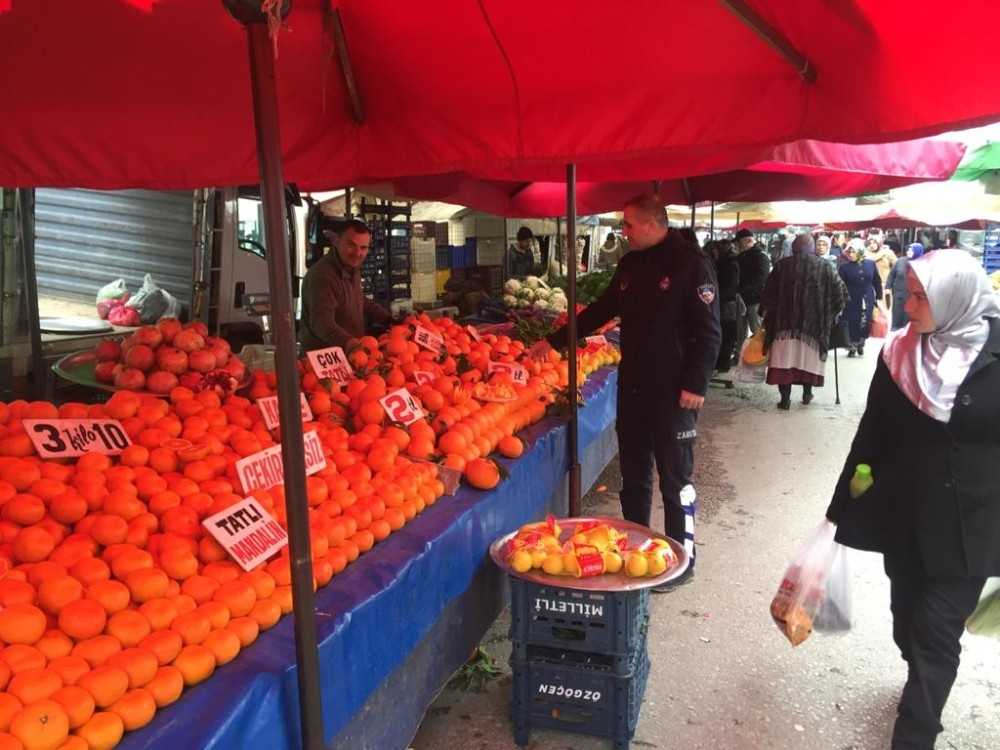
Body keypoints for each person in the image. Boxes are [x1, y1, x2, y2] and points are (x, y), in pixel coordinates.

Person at [825, 250, 1000, 750]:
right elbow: (872, 433)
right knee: (907, 617)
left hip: (975, 522)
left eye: (922, 297)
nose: (909, 304)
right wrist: (840, 506)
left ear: (955, 298)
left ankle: (915, 733)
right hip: (907, 516)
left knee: (936, 631)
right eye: (910, 293)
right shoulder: (899, 352)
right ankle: (917, 674)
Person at [529, 194, 721, 589]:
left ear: (652, 225)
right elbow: (600, 311)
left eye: (628, 225)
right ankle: (637, 551)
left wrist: (695, 384)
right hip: (633, 386)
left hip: (674, 394)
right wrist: (555, 340)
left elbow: (709, 331)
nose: (623, 231)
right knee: (634, 477)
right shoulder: (630, 265)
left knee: (675, 479)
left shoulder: (691, 265)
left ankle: (681, 558)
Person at [759, 234, 849, 409]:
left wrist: (766, 316)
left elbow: (768, 293)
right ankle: (807, 393)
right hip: (813, 328)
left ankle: (785, 399)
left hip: (783, 326)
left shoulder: (781, 266)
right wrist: (828, 314)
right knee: (806, 360)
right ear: (812, 247)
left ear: (794, 246)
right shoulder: (825, 266)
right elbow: (841, 295)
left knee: (784, 361)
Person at [299, 220, 391, 352]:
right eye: (351, 245)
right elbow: (321, 322)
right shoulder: (324, 277)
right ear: (336, 241)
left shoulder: (350, 266)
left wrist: (388, 319)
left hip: (349, 354)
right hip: (323, 361)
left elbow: (358, 299)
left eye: (363, 247)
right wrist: (348, 342)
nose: (357, 253)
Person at [837, 238, 883, 356]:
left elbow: (876, 281)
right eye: (849, 252)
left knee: (865, 322)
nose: (851, 254)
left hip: (867, 297)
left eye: (853, 252)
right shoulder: (844, 267)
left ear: (860, 252)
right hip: (851, 298)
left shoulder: (870, 264)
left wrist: (879, 296)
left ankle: (861, 343)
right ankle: (852, 346)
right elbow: (840, 284)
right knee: (851, 321)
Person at [734, 228, 771, 365]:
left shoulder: (761, 256)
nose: (738, 244)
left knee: (757, 330)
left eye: (740, 242)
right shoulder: (743, 256)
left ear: (748, 240)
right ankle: (740, 356)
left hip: (754, 299)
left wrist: (743, 288)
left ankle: (761, 357)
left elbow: (761, 278)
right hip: (743, 298)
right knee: (741, 330)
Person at [711, 239, 741, 373]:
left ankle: (723, 363)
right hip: (723, 301)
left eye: (716, 250)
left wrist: (717, 296)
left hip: (726, 303)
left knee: (726, 333)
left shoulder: (730, 265)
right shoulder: (722, 263)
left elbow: (729, 286)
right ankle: (721, 362)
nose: (714, 252)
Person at [886, 243, 924, 330]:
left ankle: (906, 330)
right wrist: (888, 287)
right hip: (898, 291)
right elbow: (892, 274)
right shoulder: (901, 261)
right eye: (908, 250)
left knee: (908, 313)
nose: (909, 252)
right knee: (897, 310)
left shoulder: (921, 263)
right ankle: (895, 328)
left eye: (912, 250)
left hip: (912, 293)